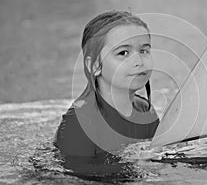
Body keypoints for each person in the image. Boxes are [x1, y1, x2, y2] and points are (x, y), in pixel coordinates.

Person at [53, 11, 160, 160]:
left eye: (144, 50)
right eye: (123, 53)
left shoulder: (146, 111)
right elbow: (72, 176)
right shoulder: (80, 122)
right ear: (95, 65)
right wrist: (132, 167)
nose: (139, 61)